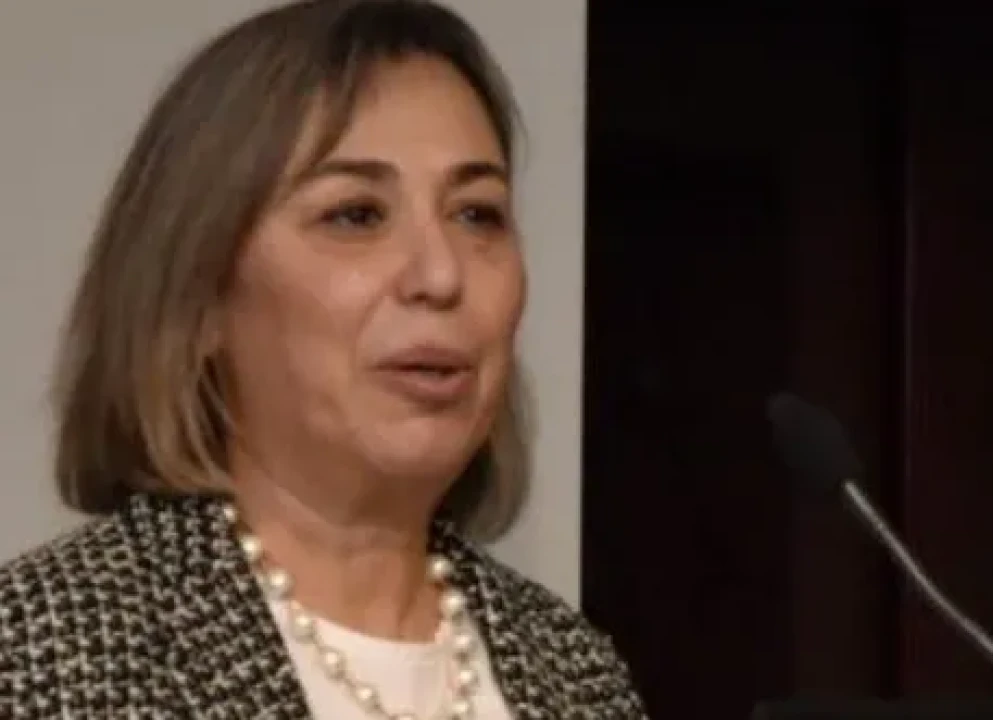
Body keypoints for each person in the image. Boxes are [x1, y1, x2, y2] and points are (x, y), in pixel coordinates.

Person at [0, 1, 645, 718]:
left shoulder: (577, 672)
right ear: (200, 293)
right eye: (357, 215)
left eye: (477, 213)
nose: (441, 274)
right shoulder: (39, 652)